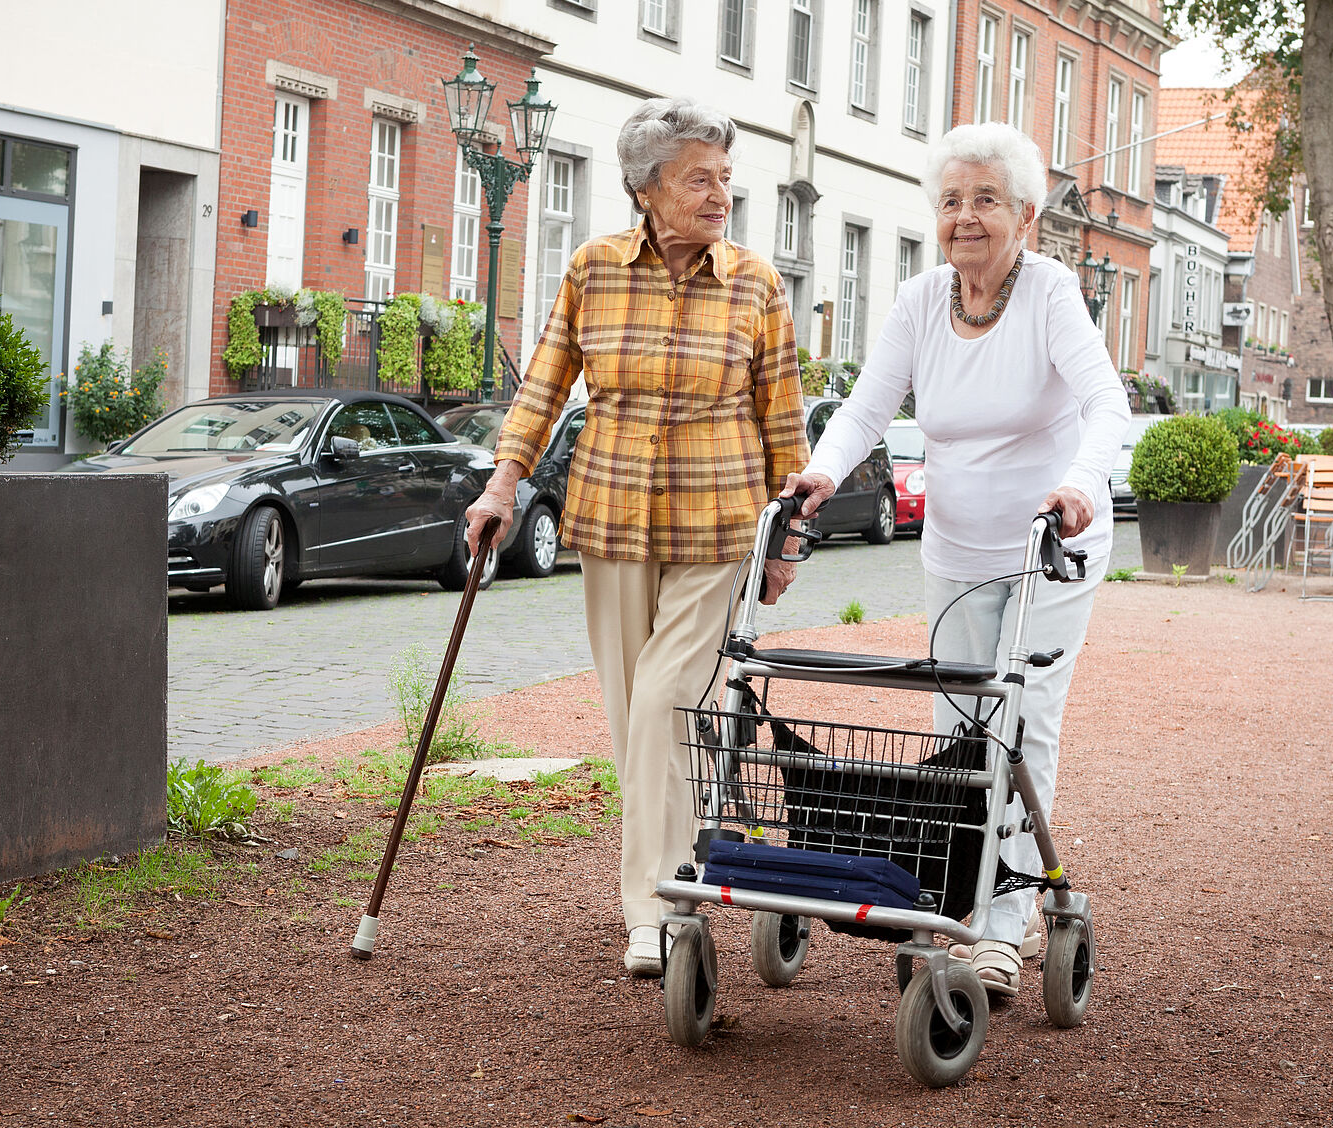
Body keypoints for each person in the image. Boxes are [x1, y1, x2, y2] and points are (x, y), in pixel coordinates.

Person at [779, 121, 1127, 1003]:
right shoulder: (922, 300)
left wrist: (1084, 483)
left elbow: (1104, 403)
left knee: (1020, 723)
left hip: (1049, 547)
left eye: (985, 201)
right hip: (958, 548)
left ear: (1026, 217)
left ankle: (1004, 926)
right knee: (952, 732)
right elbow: (865, 408)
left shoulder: (1049, 295)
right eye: (950, 201)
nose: (965, 217)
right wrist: (821, 470)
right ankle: (953, 905)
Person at [464, 97, 809, 977]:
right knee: (637, 721)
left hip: (719, 523)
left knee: (663, 705)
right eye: (700, 178)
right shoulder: (593, 272)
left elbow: (783, 424)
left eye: (726, 178)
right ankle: (680, 876)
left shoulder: (756, 284)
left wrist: (787, 538)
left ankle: (656, 907)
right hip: (614, 519)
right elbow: (541, 389)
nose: (720, 194)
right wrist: (503, 483)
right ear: (648, 189)